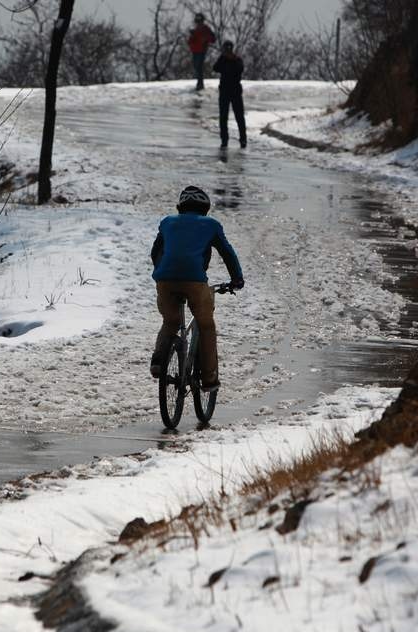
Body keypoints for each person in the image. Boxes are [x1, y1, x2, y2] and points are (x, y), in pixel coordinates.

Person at [150, 186, 244, 392]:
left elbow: (155, 251)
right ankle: (209, 379)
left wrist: (162, 273)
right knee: (206, 325)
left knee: (171, 321)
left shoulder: (167, 222)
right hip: (194, 281)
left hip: (164, 280)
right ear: (206, 209)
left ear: (180, 207)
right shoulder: (211, 225)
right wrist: (237, 278)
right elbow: (227, 253)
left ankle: (159, 360)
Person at [212, 40, 247, 148]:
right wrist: (223, 58)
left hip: (235, 91)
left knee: (239, 116)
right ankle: (224, 139)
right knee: (223, 117)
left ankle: (243, 139)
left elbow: (240, 69)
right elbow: (215, 68)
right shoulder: (223, 60)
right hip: (224, 92)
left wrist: (232, 60)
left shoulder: (237, 60)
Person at [188, 13, 216, 91]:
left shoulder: (206, 29)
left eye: (200, 21)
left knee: (199, 67)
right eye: (197, 21)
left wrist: (206, 38)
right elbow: (190, 41)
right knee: (196, 66)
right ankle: (199, 83)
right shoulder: (195, 30)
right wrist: (192, 37)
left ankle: (200, 84)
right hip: (195, 51)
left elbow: (213, 39)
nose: (199, 23)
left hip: (202, 51)